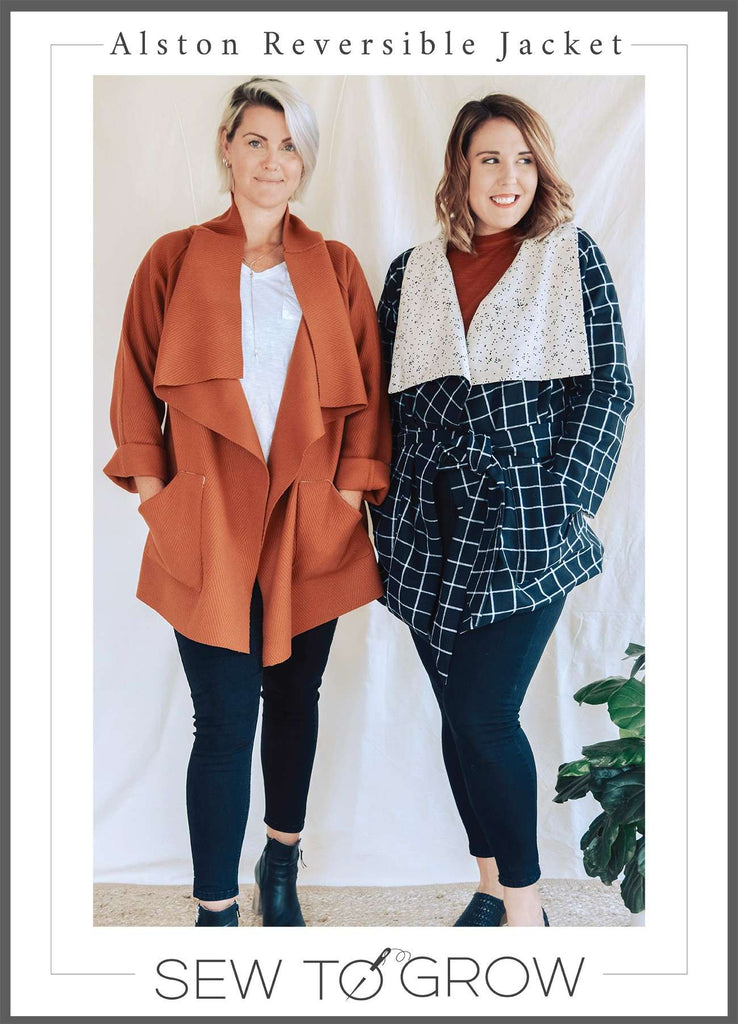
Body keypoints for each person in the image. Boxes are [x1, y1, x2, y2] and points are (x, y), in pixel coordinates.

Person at [103, 77, 391, 927]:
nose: (273, 161)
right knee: (224, 722)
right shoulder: (172, 258)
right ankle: (215, 912)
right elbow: (133, 385)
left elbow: (369, 397)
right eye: (257, 141)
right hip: (207, 521)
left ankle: (282, 864)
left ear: (307, 161)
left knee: (295, 703)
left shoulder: (335, 266)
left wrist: (344, 500)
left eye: (290, 145)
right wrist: (158, 499)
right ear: (227, 147)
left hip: (311, 519)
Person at [371, 94, 634, 927]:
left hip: (527, 513)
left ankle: (525, 911)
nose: (507, 177)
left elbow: (609, 388)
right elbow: (381, 403)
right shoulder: (410, 272)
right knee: (460, 715)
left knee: (485, 712)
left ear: (540, 170)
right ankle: (489, 882)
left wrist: (565, 501)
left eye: (523, 159)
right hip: (423, 524)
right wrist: (381, 509)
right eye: (489, 158)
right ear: (460, 169)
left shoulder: (569, 257)